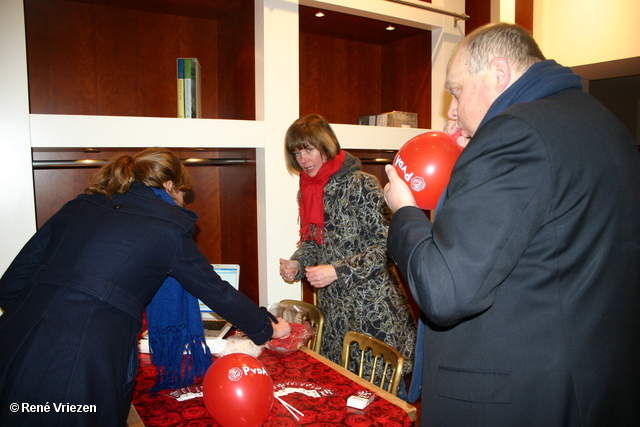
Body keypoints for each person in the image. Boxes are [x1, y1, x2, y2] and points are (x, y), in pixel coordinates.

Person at [384, 23, 640, 426]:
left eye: (456, 90)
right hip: (587, 385)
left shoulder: (515, 132)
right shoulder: (602, 123)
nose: (450, 111)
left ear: (498, 75)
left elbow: (444, 289)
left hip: (514, 401)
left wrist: (404, 211)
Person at [0, 147, 291, 426]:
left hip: (13, 340)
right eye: (182, 194)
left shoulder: (79, 206)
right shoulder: (166, 226)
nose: (182, 203)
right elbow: (214, 289)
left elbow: (10, 286)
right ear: (168, 186)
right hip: (83, 361)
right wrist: (267, 327)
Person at [279, 114, 417, 391]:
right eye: (297, 152)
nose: (304, 159)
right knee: (344, 399)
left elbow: (389, 247)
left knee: (384, 405)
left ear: (326, 146)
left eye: (309, 149)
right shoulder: (307, 191)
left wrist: (337, 270)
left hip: (374, 312)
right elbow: (314, 241)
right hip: (336, 313)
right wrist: (297, 262)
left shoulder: (361, 184)